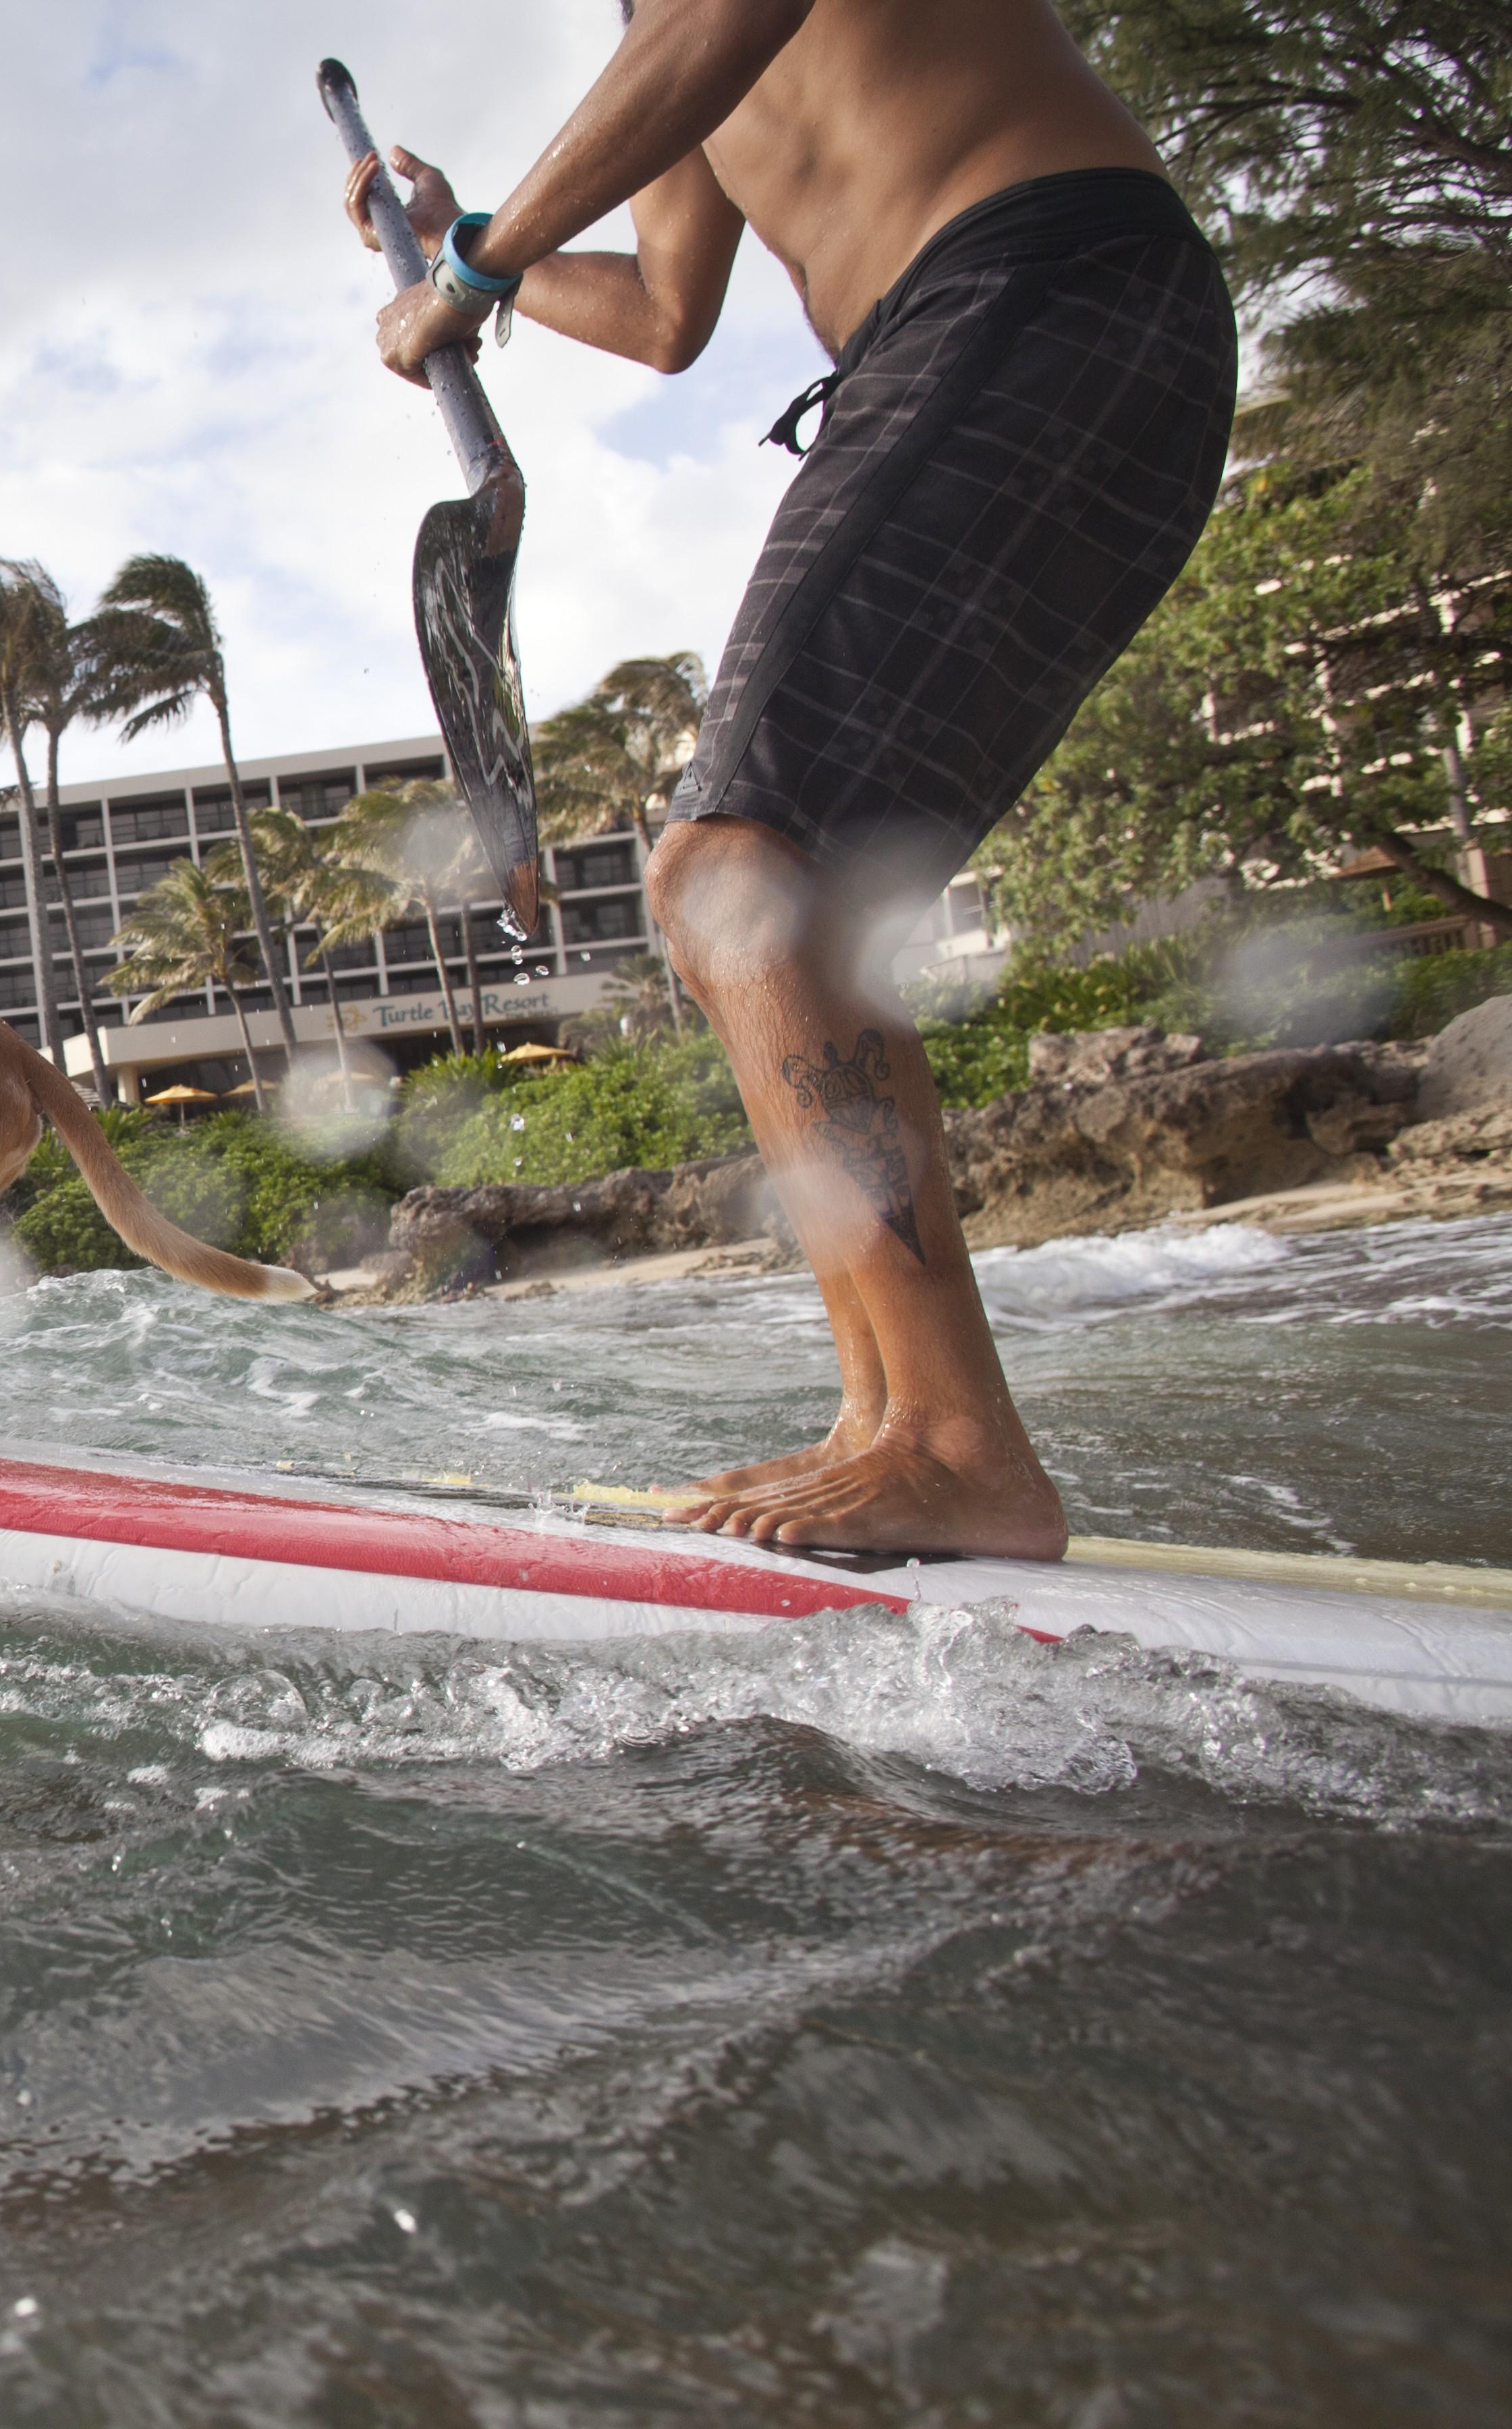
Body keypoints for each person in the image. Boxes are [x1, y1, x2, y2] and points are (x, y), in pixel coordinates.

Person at [347, 0, 1233, 1558]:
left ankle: (962, 1444)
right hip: (994, 339)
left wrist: (473, 275)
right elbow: (670, 313)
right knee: (762, 895)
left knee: (736, 868)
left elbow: (727, 19)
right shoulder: (655, 53)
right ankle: (894, 1422)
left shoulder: (682, 30)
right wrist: (467, 240)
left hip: (1035, 283)